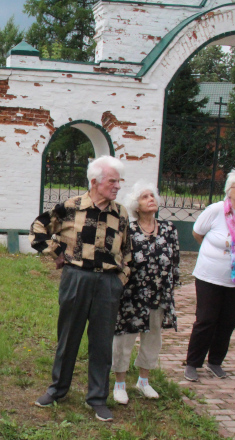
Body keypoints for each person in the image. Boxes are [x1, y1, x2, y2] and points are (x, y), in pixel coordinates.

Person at [30, 155, 131, 422]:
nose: (117, 186)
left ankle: (97, 398)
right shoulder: (71, 207)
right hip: (76, 278)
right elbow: (37, 228)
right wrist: (56, 252)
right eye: (113, 181)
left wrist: (122, 278)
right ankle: (57, 390)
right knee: (68, 337)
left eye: (119, 181)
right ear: (95, 181)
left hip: (109, 283)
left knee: (101, 343)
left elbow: (128, 251)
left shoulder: (121, 213)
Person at [184, 168, 235, 382]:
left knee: (228, 322)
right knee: (206, 319)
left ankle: (215, 362)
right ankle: (193, 363)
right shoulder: (216, 210)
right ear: (229, 190)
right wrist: (218, 253)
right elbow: (197, 232)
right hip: (209, 275)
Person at [112, 181, 180, 405]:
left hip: (159, 294)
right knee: (124, 339)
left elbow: (175, 260)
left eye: (152, 195)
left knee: (153, 339)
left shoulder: (169, 229)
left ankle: (143, 381)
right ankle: (119, 383)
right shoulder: (128, 230)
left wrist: (171, 288)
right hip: (132, 295)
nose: (151, 199)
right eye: (144, 197)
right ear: (136, 206)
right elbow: (119, 261)